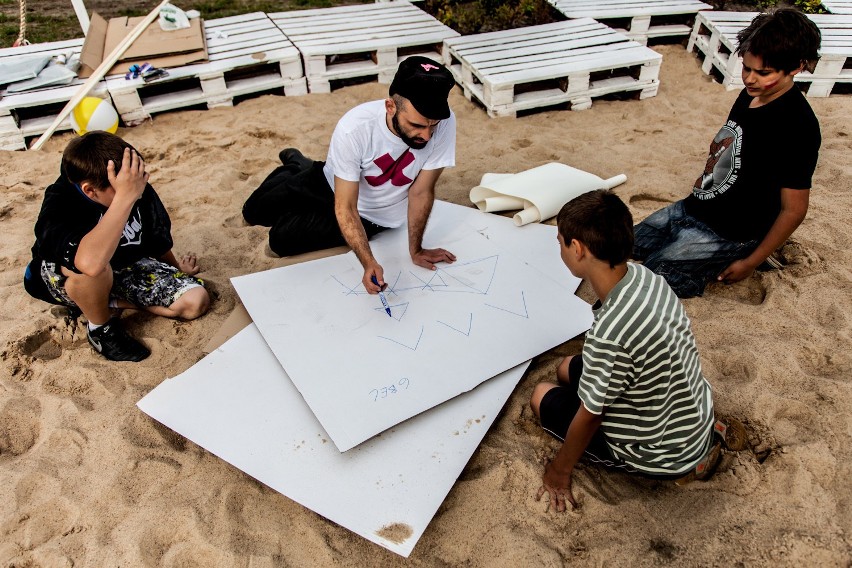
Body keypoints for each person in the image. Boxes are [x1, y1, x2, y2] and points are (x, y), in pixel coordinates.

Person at [530, 190, 746, 512]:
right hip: (691, 411)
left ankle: (684, 464)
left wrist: (559, 472)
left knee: (540, 394)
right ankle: (702, 436)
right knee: (565, 367)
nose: (559, 247)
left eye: (560, 241)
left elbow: (591, 417)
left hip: (659, 453)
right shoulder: (647, 278)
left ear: (577, 249)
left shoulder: (609, 336)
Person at [633, 8, 821, 298]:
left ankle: (758, 255)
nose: (750, 79)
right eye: (746, 67)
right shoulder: (751, 95)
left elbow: (794, 209)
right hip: (693, 207)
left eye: (763, 73)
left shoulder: (799, 126)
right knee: (625, 245)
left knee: (653, 278)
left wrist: (750, 262)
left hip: (730, 233)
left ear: (795, 67)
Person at [243, 56, 458, 294]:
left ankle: (301, 166)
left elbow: (421, 191)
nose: (427, 136)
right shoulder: (354, 127)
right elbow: (345, 205)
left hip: (370, 215)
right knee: (253, 212)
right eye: (417, 125)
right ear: (391, 107)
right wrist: (368, 262)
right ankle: (296, 166)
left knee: (279, 240)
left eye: (433, 125)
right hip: (329, 182)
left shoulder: (445, 122)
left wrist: (415, 250)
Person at [24, 131, 210, 362]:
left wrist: (176, 270)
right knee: (94, 269)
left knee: (194, 302)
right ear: (90, 191)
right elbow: (89, 264)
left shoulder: (133, 183)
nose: (139, 189)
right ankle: (100, 328)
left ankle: (109, 302)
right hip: (66, 277)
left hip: (123, 265)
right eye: (128, 187)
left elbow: (155, 238)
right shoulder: (59, 204)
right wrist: (124, 198)